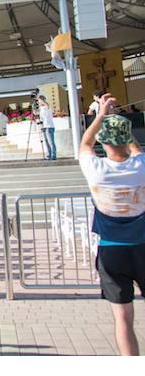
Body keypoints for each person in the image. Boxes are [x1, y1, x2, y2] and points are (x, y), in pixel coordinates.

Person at [79, 93, 145, 356]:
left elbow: (85, 143)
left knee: (122, 318)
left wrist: (100, 116)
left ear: (103, 142)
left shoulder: (96, 169)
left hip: (112, 250)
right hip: (143, 244)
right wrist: (123, 129)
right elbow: (136, 150)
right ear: (127, 139)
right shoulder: (141, 165)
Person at [38, 95, 57, 160]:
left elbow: (47, 105)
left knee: (51, 142)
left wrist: (42, 101)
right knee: (46, 142)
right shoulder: (41, 108)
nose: (39, 102)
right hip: (44, 127)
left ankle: (53, 155)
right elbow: (41, 118)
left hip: (49, 126)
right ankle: (49, 155)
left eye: (39, 100)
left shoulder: (48, 106)